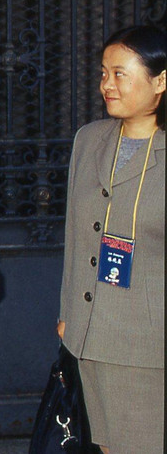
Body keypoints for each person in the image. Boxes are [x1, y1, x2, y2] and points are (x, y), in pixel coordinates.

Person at [58, 25, 165, 453]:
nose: (107, 84)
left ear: (161, 81)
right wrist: (68, 314)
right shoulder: (90, 139)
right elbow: (75, 237)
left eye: (120, 74)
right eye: (103, 73)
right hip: (88, 337)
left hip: (148, 348)